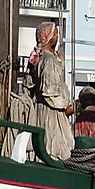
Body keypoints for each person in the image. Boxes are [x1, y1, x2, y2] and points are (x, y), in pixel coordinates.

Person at [23, 19, 76, 163]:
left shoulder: (37, 58)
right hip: (51, 113)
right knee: (54, 147)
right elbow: (49, 90)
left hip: (40, 109)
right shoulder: (48, 60)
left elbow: (28, 84)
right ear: (49, 36)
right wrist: (65, 103)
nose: (57, 37)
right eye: (55, 34)